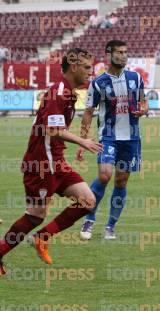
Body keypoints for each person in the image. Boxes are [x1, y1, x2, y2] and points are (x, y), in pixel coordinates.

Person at [0, 49, 103, 275]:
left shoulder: (69, 93)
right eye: (87, 67)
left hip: (55, 161)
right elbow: (53, 129)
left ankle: (42, 237)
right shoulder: (59, 91)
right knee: (35, 215)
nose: (90, 72)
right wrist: (82, 142)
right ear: (74, 67)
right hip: (42, 163)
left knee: (87, 201)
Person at [78, 40, 148, 240]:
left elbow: (144, 102)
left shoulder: (136, 77)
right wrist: (83, 141)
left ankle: (110, 226)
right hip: (108, 136)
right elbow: (89, 112)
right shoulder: (98, 83)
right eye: (119, 52)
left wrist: (143, 109)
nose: (123, 55)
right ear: (109, 54)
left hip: (131, 138)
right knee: (104, 175)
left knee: (121, 180)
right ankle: (89, 219)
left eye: (126, 52)